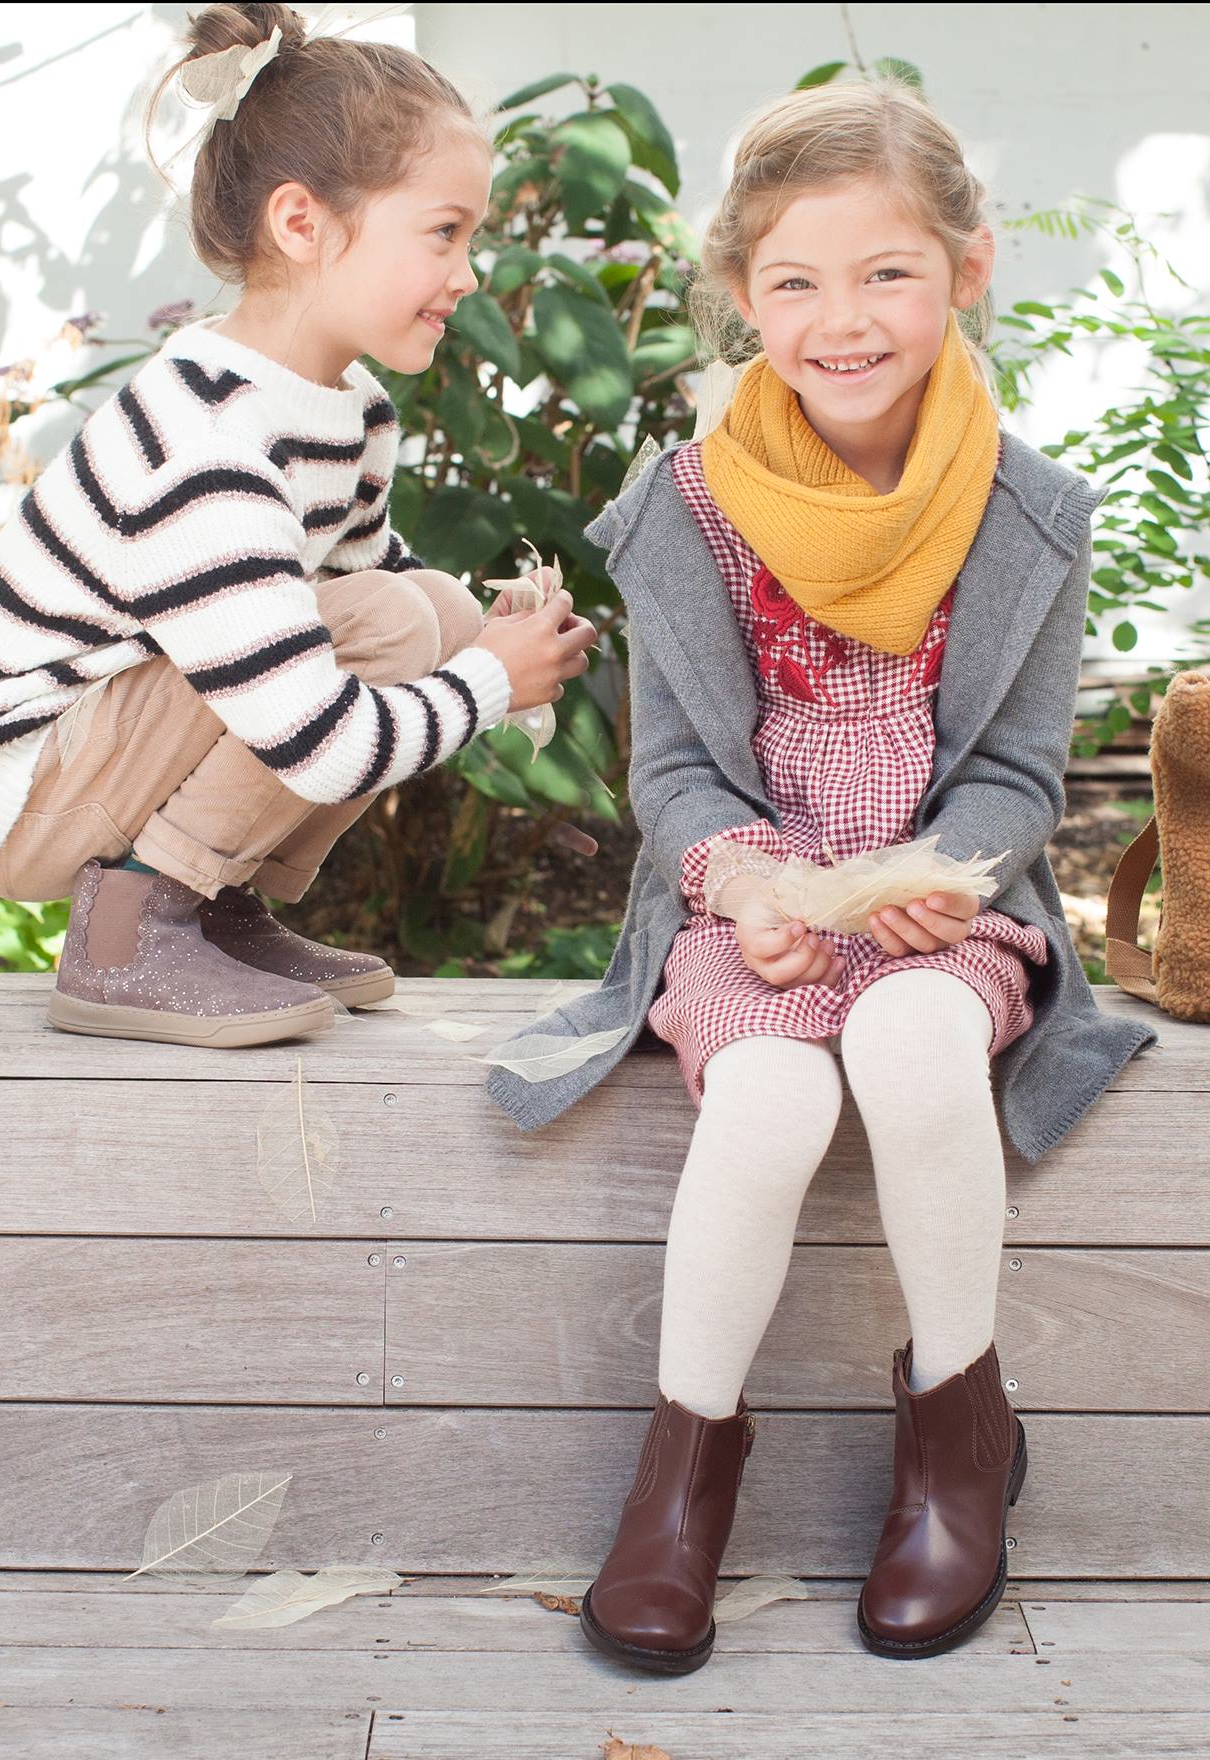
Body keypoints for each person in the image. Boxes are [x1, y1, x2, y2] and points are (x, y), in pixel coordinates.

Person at [482, 77, 1158, 1673]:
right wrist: (758, 889)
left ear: (967, 273)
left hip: (943, 909)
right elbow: (675, 775)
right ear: (740, 295)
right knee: (775, 1099)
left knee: (915, 1046)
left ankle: (956, 1438)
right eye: (793, 282)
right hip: (750, 906)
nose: (840, 321)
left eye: (886, 275)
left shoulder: (1029, 515)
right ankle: (682, 1474)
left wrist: (951, 875)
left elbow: (1019, 773)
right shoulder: (689, 507)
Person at [0, 1, 594, 1049]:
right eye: (444, 233)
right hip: (17, 780)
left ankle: (215, 909)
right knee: (396, 630)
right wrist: (492, 682)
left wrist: (488, 625)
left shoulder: (348, 406)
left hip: (110, 749)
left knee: (435, 609)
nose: (467, 273)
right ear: (303, 223)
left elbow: (368, 570)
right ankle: (136, 925)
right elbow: (321, 738)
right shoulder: (209, 434)